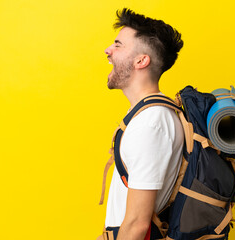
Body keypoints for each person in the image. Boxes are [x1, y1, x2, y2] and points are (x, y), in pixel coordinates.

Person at [103, 8, 184, 240]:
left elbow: (138, 225)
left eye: (118, 45)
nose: (108, 51)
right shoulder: (148, 115)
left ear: (141, 60)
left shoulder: (150, 124)